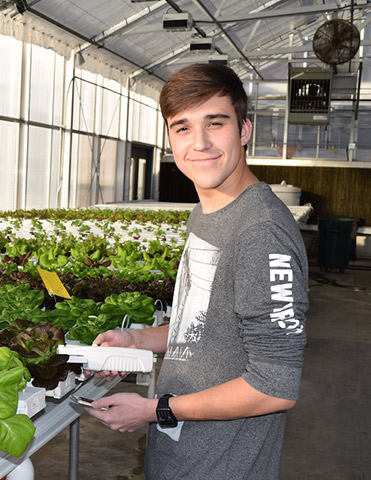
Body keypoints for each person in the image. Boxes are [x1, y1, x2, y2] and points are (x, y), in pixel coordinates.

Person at [84, 63, 309, 480]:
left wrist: (155, 410)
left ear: (244, 130)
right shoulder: (203, 215)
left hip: (225, 466)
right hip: (179, 456)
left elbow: (274, 386)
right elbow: (202, 327)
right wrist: (135, 340)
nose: (199, 143)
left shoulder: (263, 231)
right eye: (182, 127)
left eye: (215, 123)